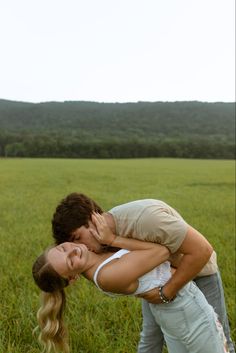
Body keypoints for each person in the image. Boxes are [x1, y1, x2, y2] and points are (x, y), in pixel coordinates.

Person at [51, 193, 235, 353]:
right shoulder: (103, 239)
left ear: (93, 219)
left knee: (221, 341)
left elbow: (202, 251)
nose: (81, 248)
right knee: (151, 337)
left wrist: (165, 293)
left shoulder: (145, 219)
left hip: (197, 271)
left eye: (78, 238)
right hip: (158, 278)